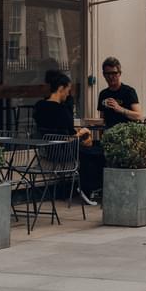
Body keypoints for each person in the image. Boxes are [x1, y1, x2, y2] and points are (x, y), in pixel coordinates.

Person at [35, 71, 102, 204]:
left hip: (48, 150)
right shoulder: (61, 110)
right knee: (99, 150)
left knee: (93, 147)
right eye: (68, 90)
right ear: (61, 88)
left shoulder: (40, 106)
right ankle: (89, 189)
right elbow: (70, 135)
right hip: (64, 150)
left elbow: (56, 131)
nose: (68, 94)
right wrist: (83, 133)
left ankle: (90, 188)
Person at [97, 56, 142, 128]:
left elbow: (139, 116)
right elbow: (102, 120)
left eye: (114, 73)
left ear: (119, 73)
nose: (111, 76)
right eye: (107, 73)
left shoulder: (129, 91)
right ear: (103, 75)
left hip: (125, 136)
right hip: (109, 136)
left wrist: (120, 109)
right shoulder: (103, 94)